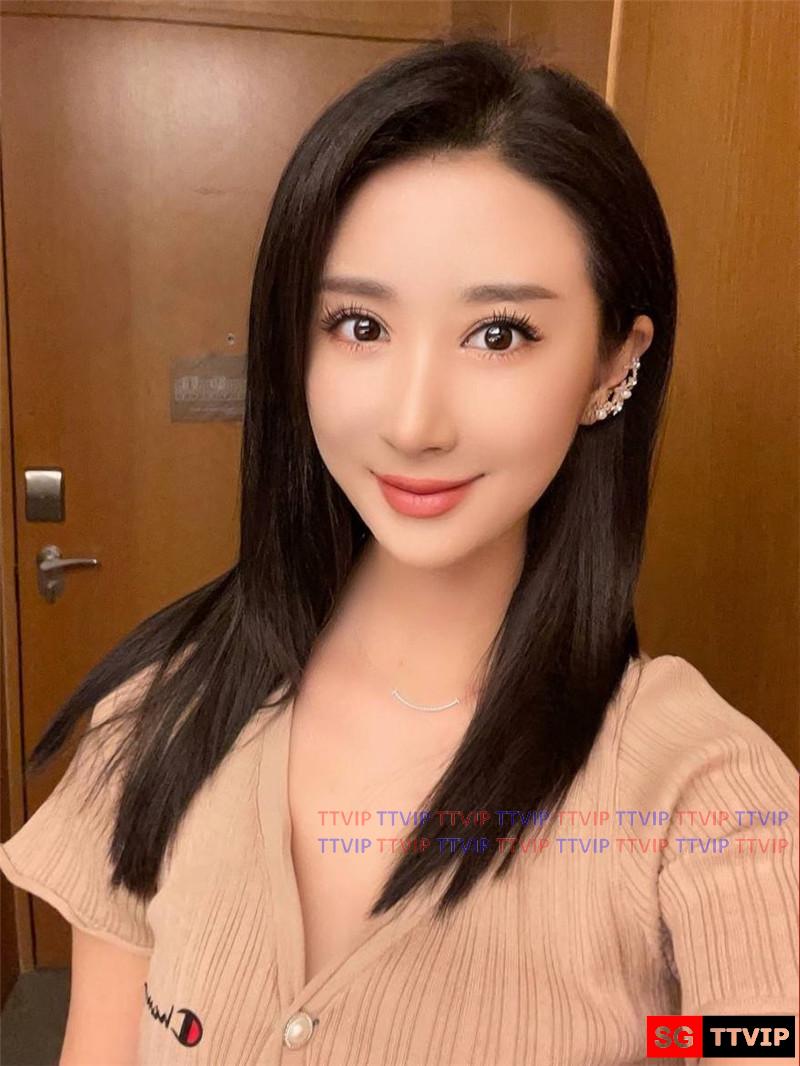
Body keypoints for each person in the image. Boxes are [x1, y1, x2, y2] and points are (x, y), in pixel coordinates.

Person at [1, 35, 797, 1066]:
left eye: (499, 333)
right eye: (359, 325)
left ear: (612, 363)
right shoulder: (161, 712)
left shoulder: (708, 798)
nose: (415, 423)